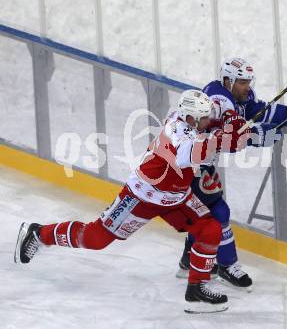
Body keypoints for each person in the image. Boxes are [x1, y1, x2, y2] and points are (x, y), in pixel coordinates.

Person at [14, 89, 251, 314]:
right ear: (190, 117)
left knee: (210, 228)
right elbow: (197, 149)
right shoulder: (177, 133)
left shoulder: (190, 119)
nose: (207, 121)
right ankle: (38, 233)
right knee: (95, 238)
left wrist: (232, 123)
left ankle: (196, 290)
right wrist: (227, 138)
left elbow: (215, 125)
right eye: (203, 118)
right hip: (142, 196)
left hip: (176, 197)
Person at [176, 58, 287, 290]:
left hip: (199, 165)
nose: (246, 86)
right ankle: (228, 266)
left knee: (204, 212)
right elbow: (225, 134)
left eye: (248, 81)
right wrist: (254, 136)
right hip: (184, 165)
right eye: (241, 82)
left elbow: (261, 112)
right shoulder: (217, 100)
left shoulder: (239, 96)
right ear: (227, 81)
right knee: (219, 212)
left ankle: (190, 258)